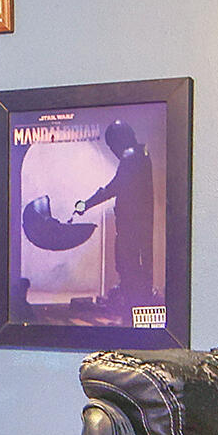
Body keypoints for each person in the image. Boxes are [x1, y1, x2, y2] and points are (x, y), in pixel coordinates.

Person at [71, 122, 157, 309]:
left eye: (113, 146)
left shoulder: (131, 156)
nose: (113, 151)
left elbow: (114, 187)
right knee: (133, 266)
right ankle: (134, 307)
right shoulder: (142, 154)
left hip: (131, 226)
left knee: (129, 266)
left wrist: (86, 204)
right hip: (136, 224)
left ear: (120, 140)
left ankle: (132, 309)